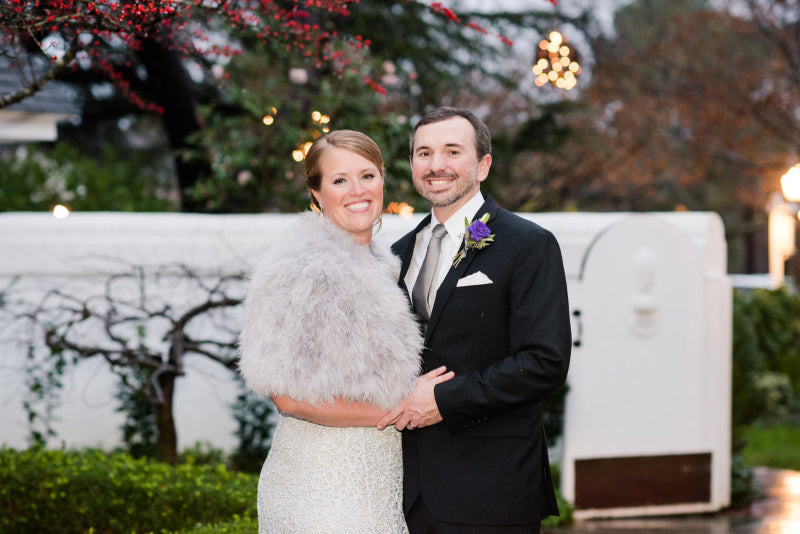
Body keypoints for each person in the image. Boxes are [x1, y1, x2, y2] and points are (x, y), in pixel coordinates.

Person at [237, 130, 452, 533]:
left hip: (380, 483)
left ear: (382, 180)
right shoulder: (299, 267)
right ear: (316, 193)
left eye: (367, 176)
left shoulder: (385, 264)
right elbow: (287, 397)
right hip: (321, 486)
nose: (357, 190)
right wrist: (407, 407)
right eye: (339, 180)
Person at [378, 108, 572, 533]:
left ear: (483, 165)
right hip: (408, 492)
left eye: (452, 151)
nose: (436, 165)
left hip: (492, 490)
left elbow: (544, 362)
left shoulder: (528, 245)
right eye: (424, 153)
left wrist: (443, 401)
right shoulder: (397, 254)